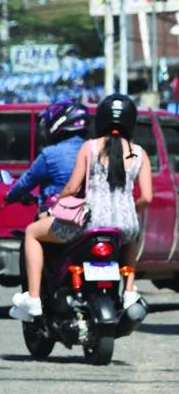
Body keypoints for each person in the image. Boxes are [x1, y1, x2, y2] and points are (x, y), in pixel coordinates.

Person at [10, 93, 153, 321]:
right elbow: (147, 197)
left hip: (89, 224)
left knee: (32, 233)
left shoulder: (90, 147)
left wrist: (56, 207)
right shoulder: (140, 154)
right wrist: (128, 209)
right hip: (124, 228)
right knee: (132, 236)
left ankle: (34, 299)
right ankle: (128, 292)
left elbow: (71, 189)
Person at [3, 99, 90, 209]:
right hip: (89, 215)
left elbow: (25, 183)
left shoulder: (50, 154)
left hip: (61, 217)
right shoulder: (95, 149)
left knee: (31, 227)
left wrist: (9, 196)